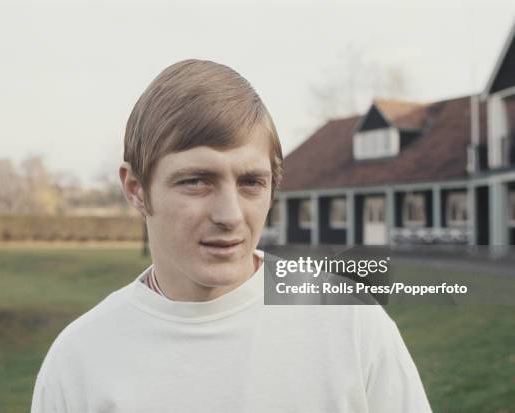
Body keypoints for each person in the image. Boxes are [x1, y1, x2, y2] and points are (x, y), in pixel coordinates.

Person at [31, 59, 432, 413]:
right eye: (196, 182)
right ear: (136, 188)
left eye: (251, 182)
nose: (230, 215)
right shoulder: (79, 359)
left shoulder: (352, 324)